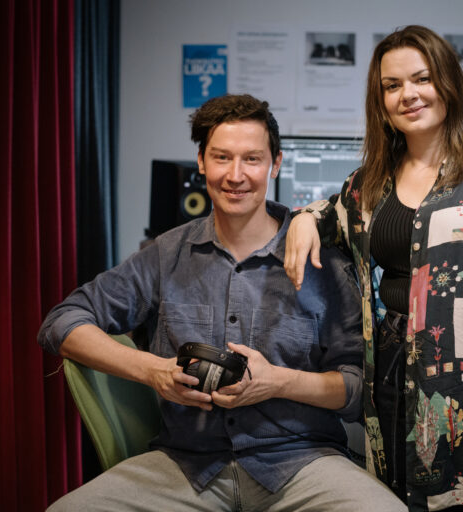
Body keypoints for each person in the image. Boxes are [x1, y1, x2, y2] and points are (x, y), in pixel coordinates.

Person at [38, 94, 406, 512]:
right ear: (201, 161)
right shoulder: (165, 254)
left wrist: (278, 382)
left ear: (275, 164)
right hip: (185, 465)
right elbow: (62, 322)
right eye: (221, 158)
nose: (235, 175)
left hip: (301, 463)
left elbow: (357, 390)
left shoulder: (324, 261)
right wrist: (153, 370)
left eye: (252, 159)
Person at [284, 26, 463, 511]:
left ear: (449, 83)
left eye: (422, 79)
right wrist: (304, 219)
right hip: (391, 378)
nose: (408, 94)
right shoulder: (369, 182)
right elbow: (332, 214)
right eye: (392, 85)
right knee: (399, 498)